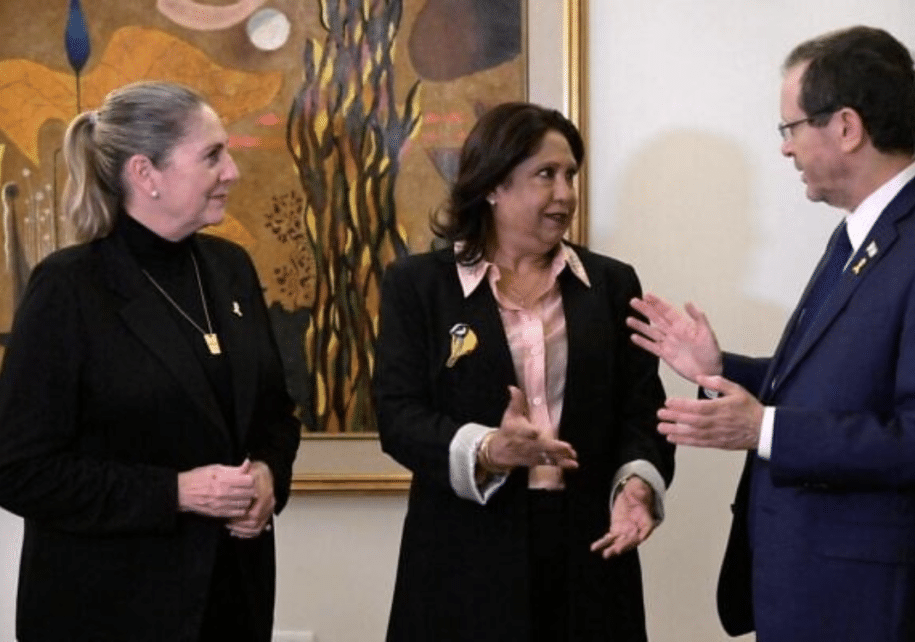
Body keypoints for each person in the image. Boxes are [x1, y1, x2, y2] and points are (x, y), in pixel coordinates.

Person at [628, 26, 915, 642]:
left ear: (847, 127)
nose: (784, 149)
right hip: (808, 591)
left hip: (874, 609)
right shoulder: (857, 234)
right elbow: (836, 384)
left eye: (791, 128)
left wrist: (764, 429)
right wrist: (719, 366)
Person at [0, 81, 301, 642]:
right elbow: (18, 470)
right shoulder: (68, 289)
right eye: (212, 155)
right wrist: (175, 492)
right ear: (146, 174)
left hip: (232, 603)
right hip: (108, 611)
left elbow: (276, 416)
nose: (232, 172)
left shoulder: (231, 268)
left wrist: (267, 474)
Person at [374, 102, 675, 642]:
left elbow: (642, 413)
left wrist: (636, 486)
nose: (565, 193)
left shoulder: (611, 285)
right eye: (545, 175)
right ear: (493, 185)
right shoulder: (419, 286)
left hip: (590, 552)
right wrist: (489, 449)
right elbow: (398, 418)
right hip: (463, 556)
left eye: (570, 175)